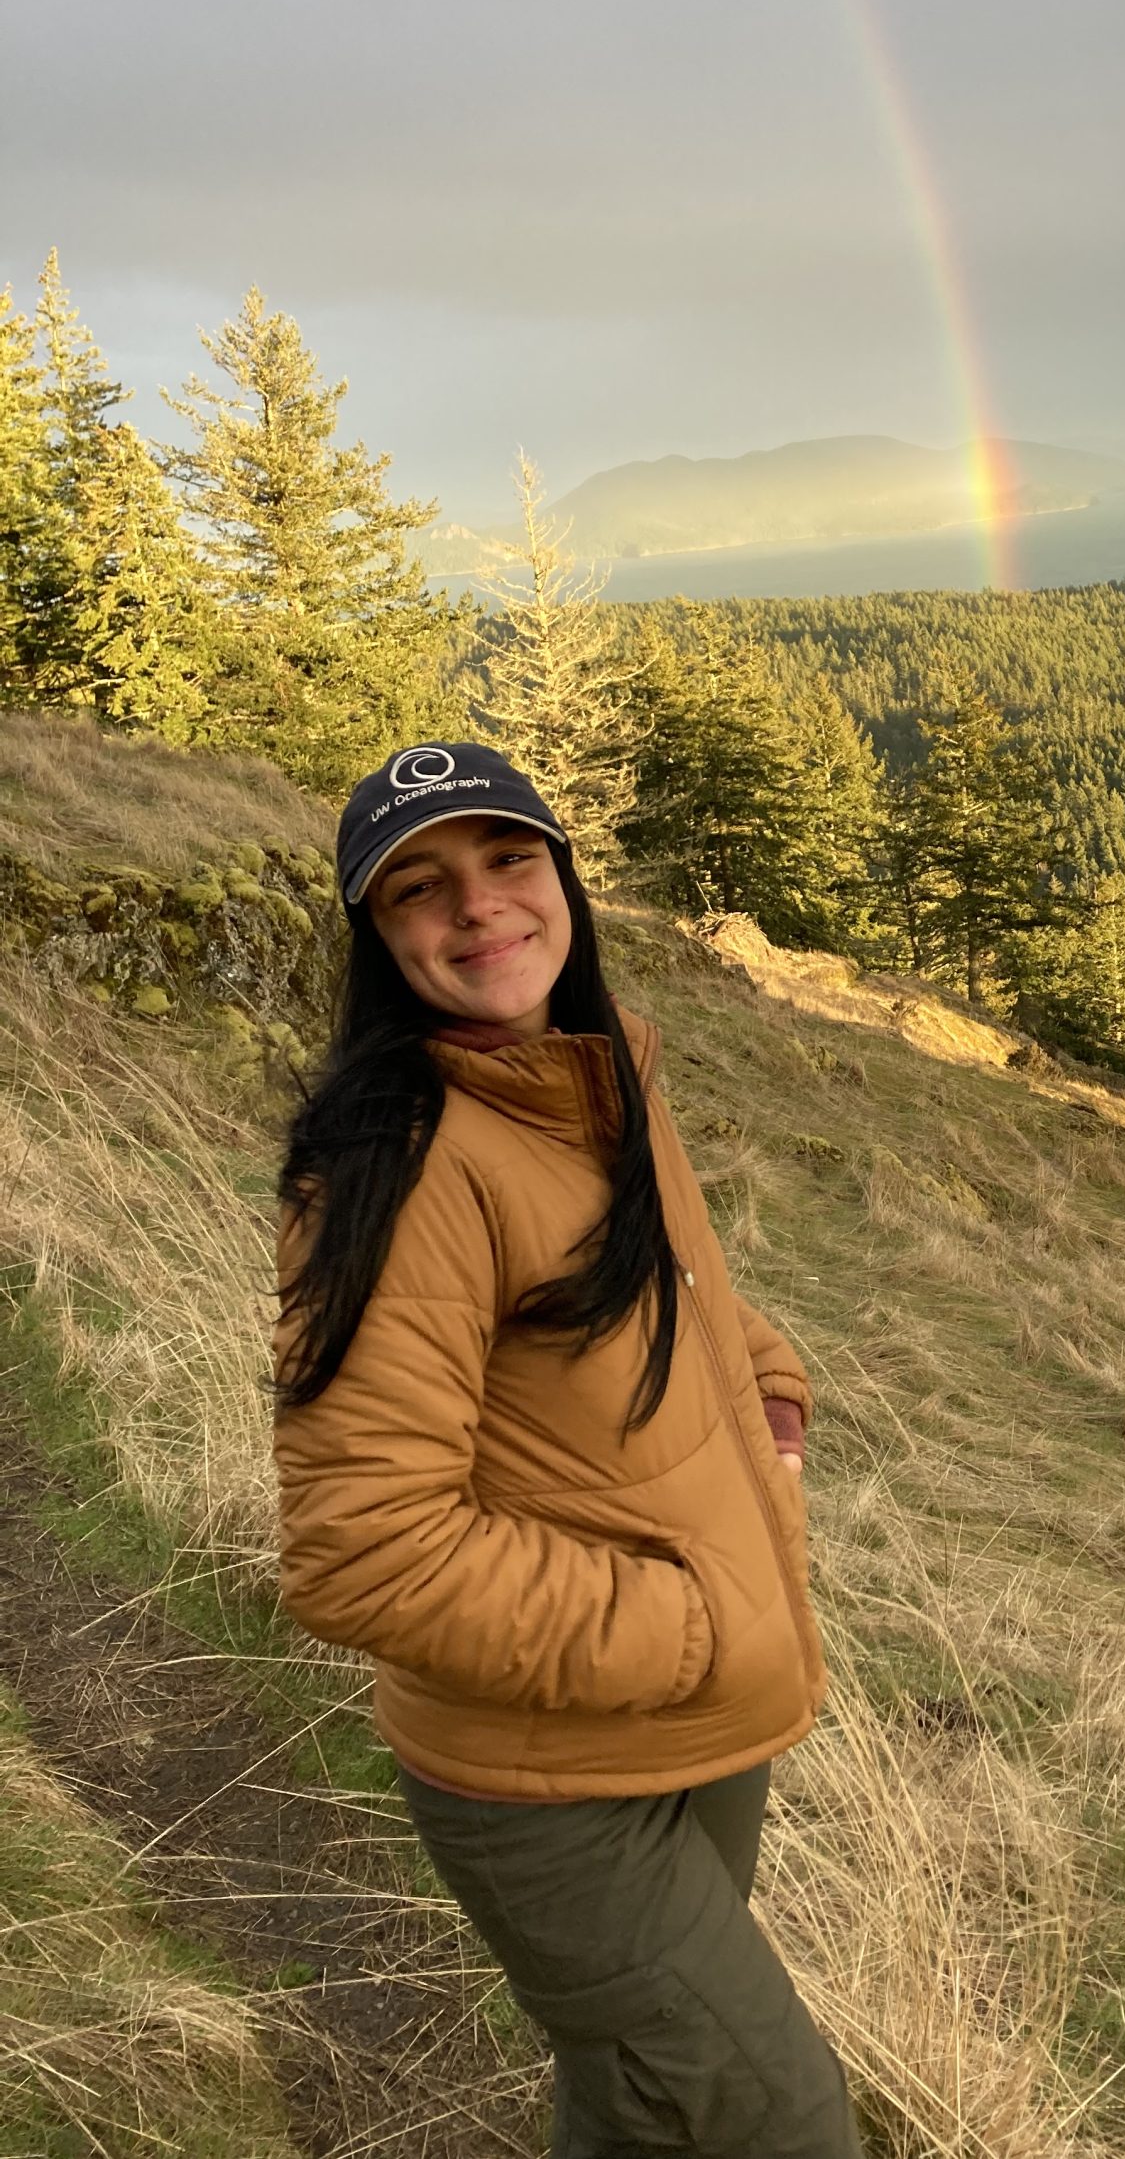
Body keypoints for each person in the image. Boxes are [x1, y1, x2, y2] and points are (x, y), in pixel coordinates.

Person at [269, 739, 863, 2159]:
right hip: (555, 1773)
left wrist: (770, 1397)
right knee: (779, 2121)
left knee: (642, 2095)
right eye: (419, 887)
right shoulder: (400, 1158)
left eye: (506, 859)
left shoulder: (590, 1075)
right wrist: (694, 1623)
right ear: (379, 938)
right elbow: (361, 1553)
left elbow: (682, 1291)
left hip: (691, 1730)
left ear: (564, 878)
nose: (476, 907)